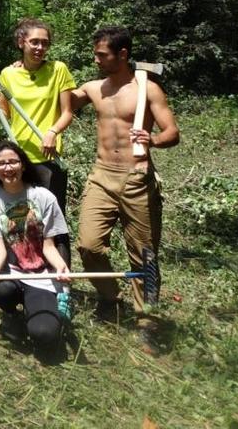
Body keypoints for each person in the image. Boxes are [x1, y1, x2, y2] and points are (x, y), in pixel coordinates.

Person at [70, 26, 179, 351]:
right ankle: (110, 298)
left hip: (136, 177)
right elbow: (59, 100)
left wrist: (153, 139)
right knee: (89, 246)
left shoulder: (147, 89)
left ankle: (147, 320)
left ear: (122, 55)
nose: (96, 59)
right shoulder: (92, 88)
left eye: (102, 54)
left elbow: (172, 132)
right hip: (102, 176)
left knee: (143, 255)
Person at [0, 18, 76, 267]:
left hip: (47, 159)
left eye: (44, 43)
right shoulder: (8, 74)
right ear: (21, 42)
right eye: (34, 42)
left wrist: (53, 132)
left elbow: (67, 112)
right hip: (15, 161)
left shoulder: (58, 69)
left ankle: (62, 283)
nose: (40, 48)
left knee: (53, 225)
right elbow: (6, 117)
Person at [0, 140, 70, 354]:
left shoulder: (43, 197)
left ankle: (46, 308)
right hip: (14, 272)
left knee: (44, 334)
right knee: (2, 289)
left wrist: (60, 266)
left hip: (41, 276)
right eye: (2, 164)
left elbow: (49, 246)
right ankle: (12, 315)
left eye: (13, 162)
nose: (8, 168)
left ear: (23, 165)